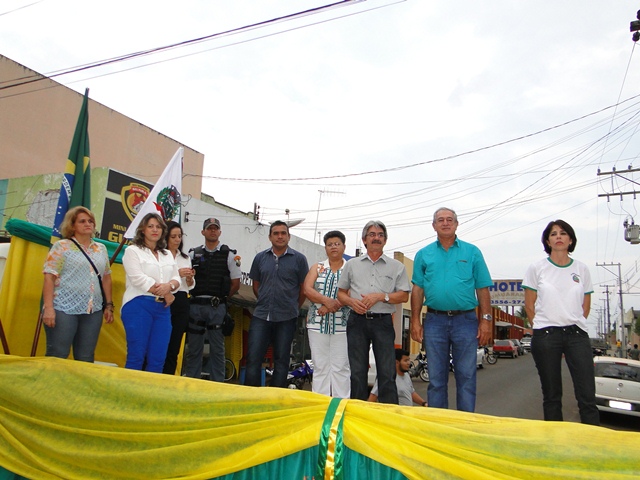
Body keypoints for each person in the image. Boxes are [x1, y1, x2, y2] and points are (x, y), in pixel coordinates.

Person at [410, 207, 492, 412]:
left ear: (456, 224)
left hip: (465, 322)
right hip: (434, 322)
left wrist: (486, 321)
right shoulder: (423, 254)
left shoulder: (472, 252)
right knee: (436, 379)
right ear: (434, 225)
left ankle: (465, 423)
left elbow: (482, 289)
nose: (445, 223)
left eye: (449, 219)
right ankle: (439, 424)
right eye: (440, 220)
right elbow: (417, 289)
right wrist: (415, 321)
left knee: (466, 377)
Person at [523, 219, 600, 425]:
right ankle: (554, 441)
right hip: (546, 335)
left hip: (577, 335)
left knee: (587, 395)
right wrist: (541, 327)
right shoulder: (537, 268)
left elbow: (585, 306)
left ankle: (592, 438)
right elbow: (529, 305)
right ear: (547, 241)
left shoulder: (581, 269)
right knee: (552, 396)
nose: (558, 236)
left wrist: (573, 323)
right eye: (553, 233)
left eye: (563, 233)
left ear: (571, 240)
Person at [337, 220, 411, 404]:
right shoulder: (351, 264)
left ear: (385, 240)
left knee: (387, 372)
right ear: (364, 240)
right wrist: (352, 302)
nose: (376, 238)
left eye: (380, 235)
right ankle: (358, 413)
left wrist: (381, 296)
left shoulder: (397, 267)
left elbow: (403, 296)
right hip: (357, 321)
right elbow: (341, 293)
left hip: (383, 322)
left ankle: (389, 415)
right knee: (357, 372)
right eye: (372, 234)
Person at [42, 206, 114, 362]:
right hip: (64, 307)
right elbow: (49, 277)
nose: (88, 224)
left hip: (93, 309)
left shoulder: (101, 249)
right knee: (58, 354)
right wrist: (48, 308)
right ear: (72, 225)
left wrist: (109, 305)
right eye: (82, 221)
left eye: (90, 221)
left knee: (86, 357)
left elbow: (106, 277)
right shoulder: (62, 247)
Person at [245, 221, 309, 388]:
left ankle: (276, 397)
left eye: (283, 233)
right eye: (276, 233)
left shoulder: (299, 259)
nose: (280, 236)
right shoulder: (260, 258)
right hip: (261, 316)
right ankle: (250, 396)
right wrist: (265, 301)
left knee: (281, 361)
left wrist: (293, 306)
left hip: (286, 318)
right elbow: (256, 286)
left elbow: (304, 289)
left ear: (289, 236)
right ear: (270, 237)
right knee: (253, 358)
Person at [183, 218, 241, 381]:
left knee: (217, 349)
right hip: (196, 306)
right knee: (194, 348)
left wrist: (222, 298)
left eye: (215, 228)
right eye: (209, 228)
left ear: (220, 232)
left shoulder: (229, 255)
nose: (213, 231)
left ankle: (218, 385)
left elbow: (236, 284)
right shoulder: (193, 254)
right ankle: (192, 382)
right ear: (203, 232)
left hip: (217, 307)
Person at [121, 213, 180, 372]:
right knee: (136, 356)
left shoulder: (167, 254)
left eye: (158, 227)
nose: (155, 230)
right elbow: (137, 278)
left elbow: (176, 278)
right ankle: (129, 388)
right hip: (138, 305)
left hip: (163, 310)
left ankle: (151, 388)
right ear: (142, 229)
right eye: (150, 226)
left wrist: (170, 286)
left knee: (158, 358)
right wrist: (165, 292)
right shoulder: (133, 251)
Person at [303, 230, 350, 398]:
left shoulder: (350, 268)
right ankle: (321, 404)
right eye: (330, 244)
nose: (333, 247)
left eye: (337, 244)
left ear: (344, 246)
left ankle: (340, 405)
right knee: (320, 365)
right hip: (317, 324)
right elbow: (307, 289)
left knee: (341, 367)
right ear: (325, 248)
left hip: (342, 326)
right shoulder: (317, 267)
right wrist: (325, 301)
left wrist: (331, 306)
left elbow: (354, 291)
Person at [162, 221, 195, 375]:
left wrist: (189, 278)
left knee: (175, 344)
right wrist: (177, 273)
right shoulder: (160, 255)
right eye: (173, 236)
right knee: (160, 341)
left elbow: (190, 286)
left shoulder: (185, 257)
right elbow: (159, 277)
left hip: (182, 299)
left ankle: (168, 376)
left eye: (179, 236)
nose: (177, 240)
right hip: (165, 298)